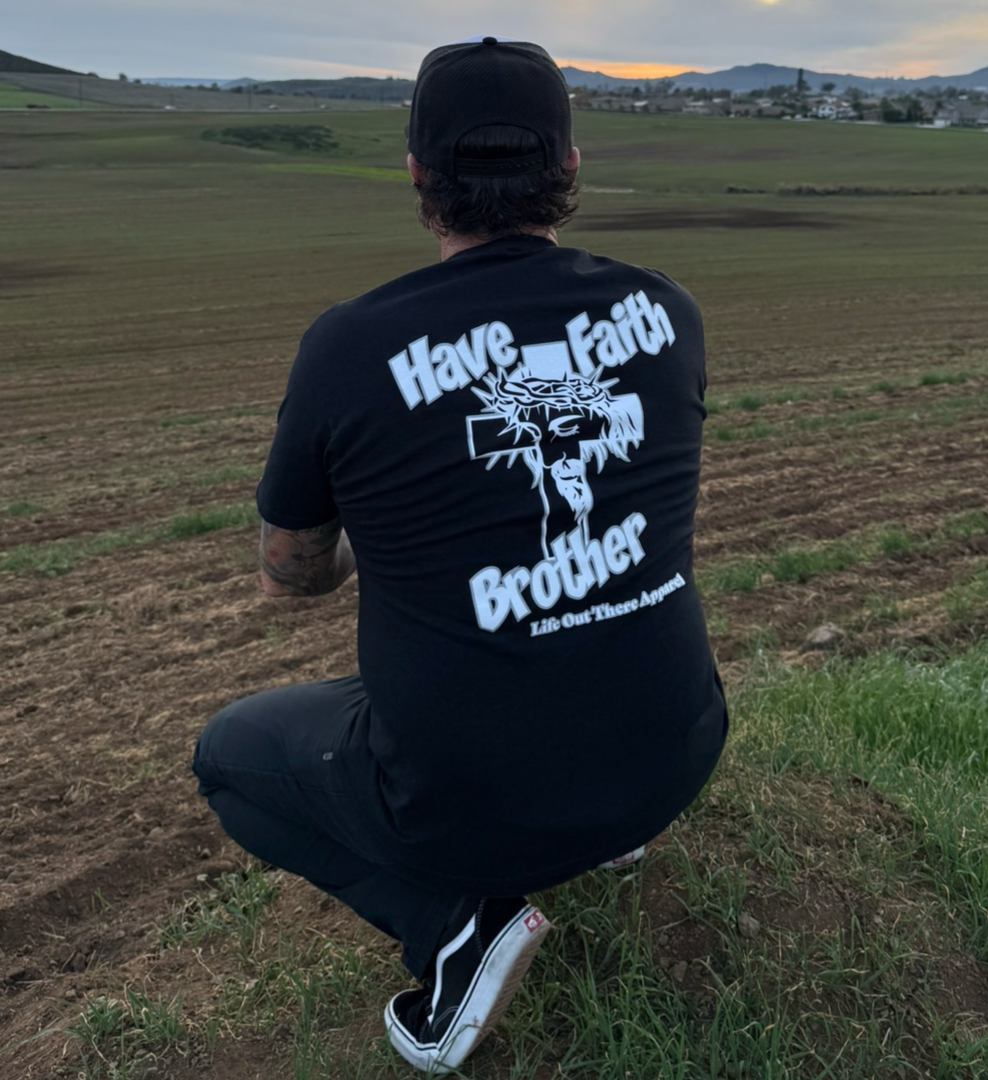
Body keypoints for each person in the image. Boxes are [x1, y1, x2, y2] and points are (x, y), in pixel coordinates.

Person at [192, 34, 728, 1075]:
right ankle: (608, 836)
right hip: (676, 750)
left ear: (417, 176)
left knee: (230, 759)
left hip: (468, 795)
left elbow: (290, 574)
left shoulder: (350, 346)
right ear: (568, 168)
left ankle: (453, 926)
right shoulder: (666, 313)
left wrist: (387, 541)